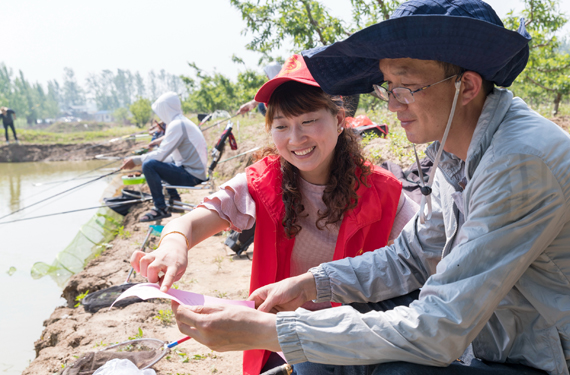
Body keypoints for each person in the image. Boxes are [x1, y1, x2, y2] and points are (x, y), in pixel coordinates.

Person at [157, 1, 570, 374]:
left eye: (407, 87)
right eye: (388, 88)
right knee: (340, 333)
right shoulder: (459, 151)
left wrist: (272, 330)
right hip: (520, 337)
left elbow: (438, 329)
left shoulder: (519, 162)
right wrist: (311, 283)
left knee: (391, 365)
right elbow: (410, 257)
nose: (394, 104)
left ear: (467, 87)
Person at [130, 54, 418, 375]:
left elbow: (431, 254)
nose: (296, 138)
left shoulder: (383, 192)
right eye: (282, 126)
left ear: (339, 120)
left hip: (352, 343)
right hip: (275, 339)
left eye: (309, 121)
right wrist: (173, 244)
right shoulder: (263, 181)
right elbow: (193, 220)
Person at [122, 92, 207, 222]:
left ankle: (160, 208)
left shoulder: (177, 124)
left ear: (165, 109)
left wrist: (136, 160)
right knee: (156, 163)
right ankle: (175, 199)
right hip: (194, 172)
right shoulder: (181, 121)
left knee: (149, 165)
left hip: (192, 176)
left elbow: (161, 154)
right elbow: (166, 156)